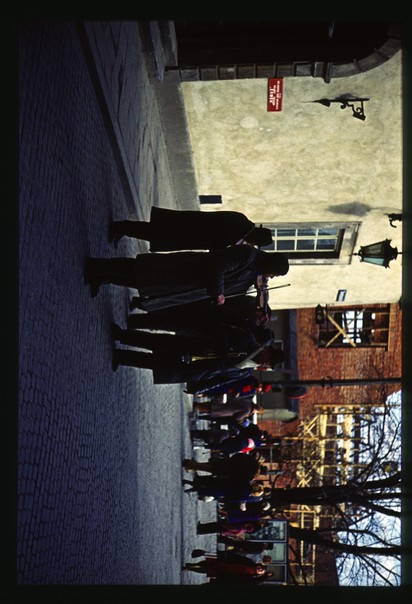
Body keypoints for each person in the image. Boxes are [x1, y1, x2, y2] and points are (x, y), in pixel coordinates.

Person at [84, 245, 289, 310]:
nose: (271, 277)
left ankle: (104, 278)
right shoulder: (249, 255)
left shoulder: (254, 270)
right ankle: (98, 265)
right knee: (140, 269)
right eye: (274, 273)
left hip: (187, 283)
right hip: (187, 269)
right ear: (271, 265)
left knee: (142, 283)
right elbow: (219, 265)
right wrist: (218, 292)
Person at [111, 338, 284, 385]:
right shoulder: (249, 341)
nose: (266, 364)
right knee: (157, 343)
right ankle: (123, 336)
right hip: (197, 349)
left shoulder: (245, 372)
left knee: (156, 364)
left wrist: (200, 386)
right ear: (268, 351)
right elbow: (223, 333)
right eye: (269, 360)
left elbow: (220, 379)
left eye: (269, 365)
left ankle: (123, 357)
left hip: (198, 369)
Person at [108, 207, 274, 251]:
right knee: (156, 232)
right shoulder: (239, 227)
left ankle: (125, 229)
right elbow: (218, 243)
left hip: (192, 230)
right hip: (190, 228)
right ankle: (122, 227)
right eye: (255, 243)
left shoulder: (242, 223)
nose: (252, 244)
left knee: (156, 233)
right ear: (256, 238)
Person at [182, 475, 264, 503]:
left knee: (206, 484)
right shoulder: (245, 496)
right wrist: (225, 499)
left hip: (224, 483)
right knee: (206, 490)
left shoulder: (246, 482)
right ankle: (190, 489)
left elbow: (236, 478)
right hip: (224, 492)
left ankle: (188, 482)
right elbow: (233, 499)